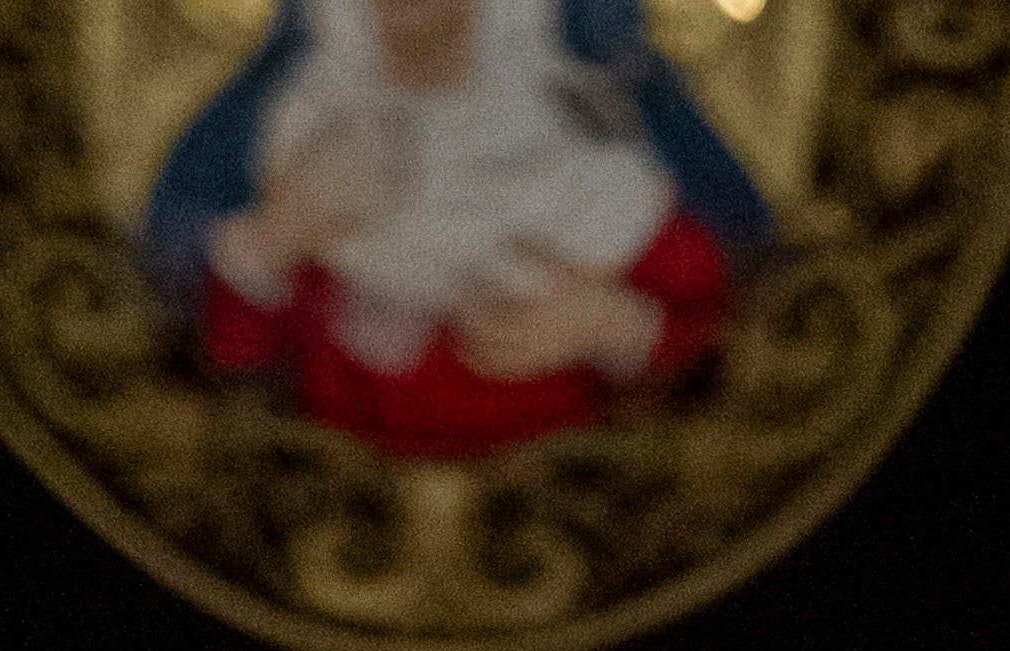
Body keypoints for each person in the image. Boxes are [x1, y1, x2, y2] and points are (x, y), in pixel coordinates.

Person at [142, 0, 768, 462]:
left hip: (557, 487)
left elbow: (705, 318)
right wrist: (279, 234)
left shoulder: (585, 154)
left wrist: (603, 322)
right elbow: (234, 355)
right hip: (338, 486)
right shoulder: (301, 143)